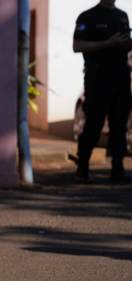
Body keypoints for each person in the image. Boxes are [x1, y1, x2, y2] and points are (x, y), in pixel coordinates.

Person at [74, 0, 132, 183]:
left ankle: (118, 169)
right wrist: (107, 43)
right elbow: (77, 46)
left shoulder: (122, 16)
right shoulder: (88, 16)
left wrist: (127, 43)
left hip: (121, 78)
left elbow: (125, 45)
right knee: (94, 124)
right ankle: (82, 169)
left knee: (119, 125)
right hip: (98, 79)